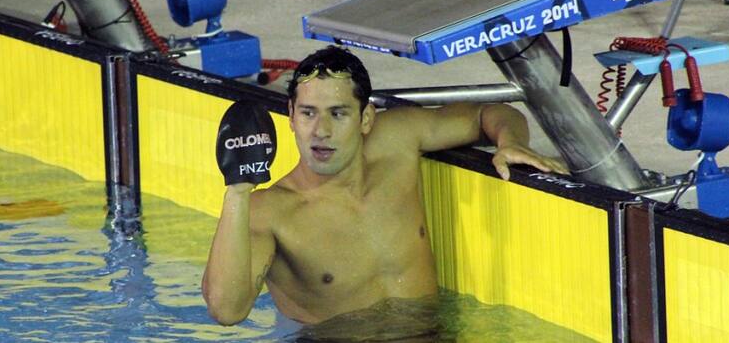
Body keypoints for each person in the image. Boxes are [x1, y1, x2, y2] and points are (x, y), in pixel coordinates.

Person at [202, 45, 568, 326]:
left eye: (338, 113)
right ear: (291, 118)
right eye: (308, 113)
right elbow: (226, 311)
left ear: (366, 118)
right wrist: (237, 190)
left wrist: (510, 142)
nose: (321, 131)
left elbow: (492, 113)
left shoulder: (397, 139)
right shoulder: (271, 212)